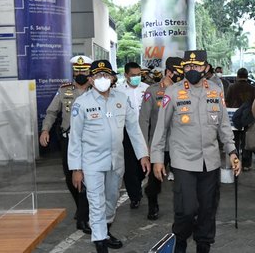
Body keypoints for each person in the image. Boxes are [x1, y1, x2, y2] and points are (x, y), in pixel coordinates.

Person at [150, 50, 240, 253]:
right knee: (187, 209)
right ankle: (180, 241)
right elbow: (161, 128)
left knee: (208, 209)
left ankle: (203, 245)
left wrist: (232, 151)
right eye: (188, 67)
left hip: (210, 160)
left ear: (205, 68)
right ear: (183, 68)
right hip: (183, 161)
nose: (192, 70)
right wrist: (157, 158)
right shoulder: (173, 92)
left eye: (197, 66)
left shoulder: (216, 91)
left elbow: (224, 126)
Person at [68, 60, 151, 253]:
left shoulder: (121, 99)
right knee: (96, 202)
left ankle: (104, 231)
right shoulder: (82, 103)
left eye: (106, 75)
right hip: (91, 163)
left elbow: (134, 129)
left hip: (116, 161)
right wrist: (76, 169)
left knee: (111, 200)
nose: (102, 79)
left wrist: (143, 155)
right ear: (90, 79)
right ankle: (100, 243)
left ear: (113, 78)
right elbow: (75, 138)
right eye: (97, 76)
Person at [39, 55, 92, 234]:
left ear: (89, 71)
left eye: (83, 70)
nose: (80, 73)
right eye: (77, 70)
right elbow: (52, 112)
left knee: (87, 178)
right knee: (71, 177)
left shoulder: (96, 90)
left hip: (91, 141)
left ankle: (84, 216)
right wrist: (45, 130)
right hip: (68, 140)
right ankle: (81, 207)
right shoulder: (64, 91)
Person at [139, 56, 184, 220]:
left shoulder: (184, 90)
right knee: (154, 181)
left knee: (183, 179)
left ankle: (183, 209)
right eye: (177, 72)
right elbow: (143, 120)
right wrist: (145, 147)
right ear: (168, 72)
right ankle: (152, 204)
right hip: (159, 145)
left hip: (180, 144)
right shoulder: (152, 91)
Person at [116, 62, 150, 209]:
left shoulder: (147, 89)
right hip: (126, 133)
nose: (136, 78)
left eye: (139, 75)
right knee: (129, 167)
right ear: (126, 75)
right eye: (133, 75)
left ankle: (140, 180)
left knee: (142, 164)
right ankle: (134, 196)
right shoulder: (118, 91)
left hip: (145, 130)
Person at [225, 67, 255, 171]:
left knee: (234, 141)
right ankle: (246, 165)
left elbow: (226, 102)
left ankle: (235, 162)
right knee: (246, 142)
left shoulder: (231, 87)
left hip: (233, 118)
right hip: (248, 118)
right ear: (247, 76)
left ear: (237, 76)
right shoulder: (252, 88)